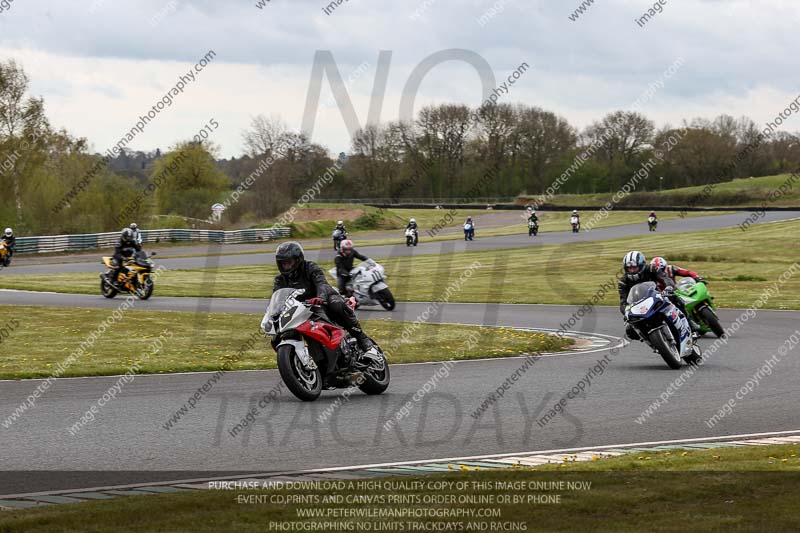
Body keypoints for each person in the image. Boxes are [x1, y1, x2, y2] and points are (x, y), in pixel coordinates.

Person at [273, 241, 374, 351]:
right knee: (277, 336)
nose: (286, 266)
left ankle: (361, 338)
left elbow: (321, 283)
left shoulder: (310, 267)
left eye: (289, 262)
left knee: (337, 305)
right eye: (283, 263)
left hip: (323, 298)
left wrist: (320, 297)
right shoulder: (280, 280)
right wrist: (274, 313)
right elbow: (277, 298)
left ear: (298, 259)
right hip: (300, 309)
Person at [617, 250, 676, 341]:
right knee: (630, 331)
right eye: (629, 268)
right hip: (639, 306)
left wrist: (668, 287)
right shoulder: (623, 282)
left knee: (676, 298)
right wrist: (626, 312)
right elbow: (623, 301)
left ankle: (690, 322)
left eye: (635, 267)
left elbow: (665, 278)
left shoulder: (652, 269)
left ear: (642, 266)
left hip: (657, 297)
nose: (632, 270)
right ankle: (653, 342)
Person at [650, 256, 706, 332]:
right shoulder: (650, 275)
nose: (660, 272)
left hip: (674, 291)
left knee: (680, 302)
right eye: (658, 270)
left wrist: (697, 277)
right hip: (661, 296)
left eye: (662, 269)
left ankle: (690, 322)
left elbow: (687, 272)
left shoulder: (671, 268)